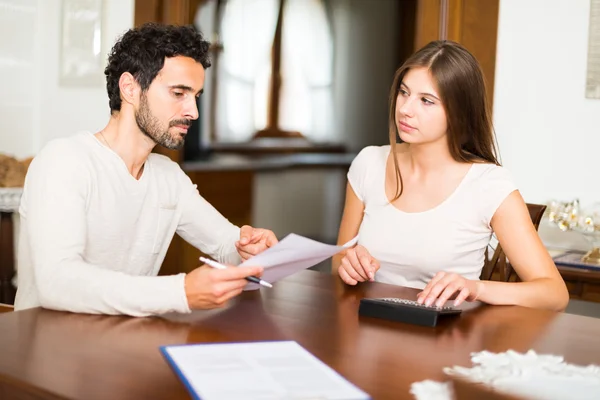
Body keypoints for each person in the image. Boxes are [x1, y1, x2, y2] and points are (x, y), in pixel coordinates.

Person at [15, 23, 277, 317]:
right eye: (179, 93)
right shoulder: (63, 161)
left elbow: (227, 245)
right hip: (47, 352)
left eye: (196, 96)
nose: (193, 112)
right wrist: (181, 292)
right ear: (130, 88)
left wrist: (249, 247)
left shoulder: (168, 177)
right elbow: (58, 284)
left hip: (122, 345)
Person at [332, 40, 569, 311]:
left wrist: (476, 288)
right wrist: (348, 264)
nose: (405, 109)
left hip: (443, 340)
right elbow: (338, 260)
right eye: (403, 93)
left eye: (426, 101)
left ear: (458, 111)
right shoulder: (369, 163)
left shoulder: (488, 185)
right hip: (367, 330)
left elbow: (554, 293)